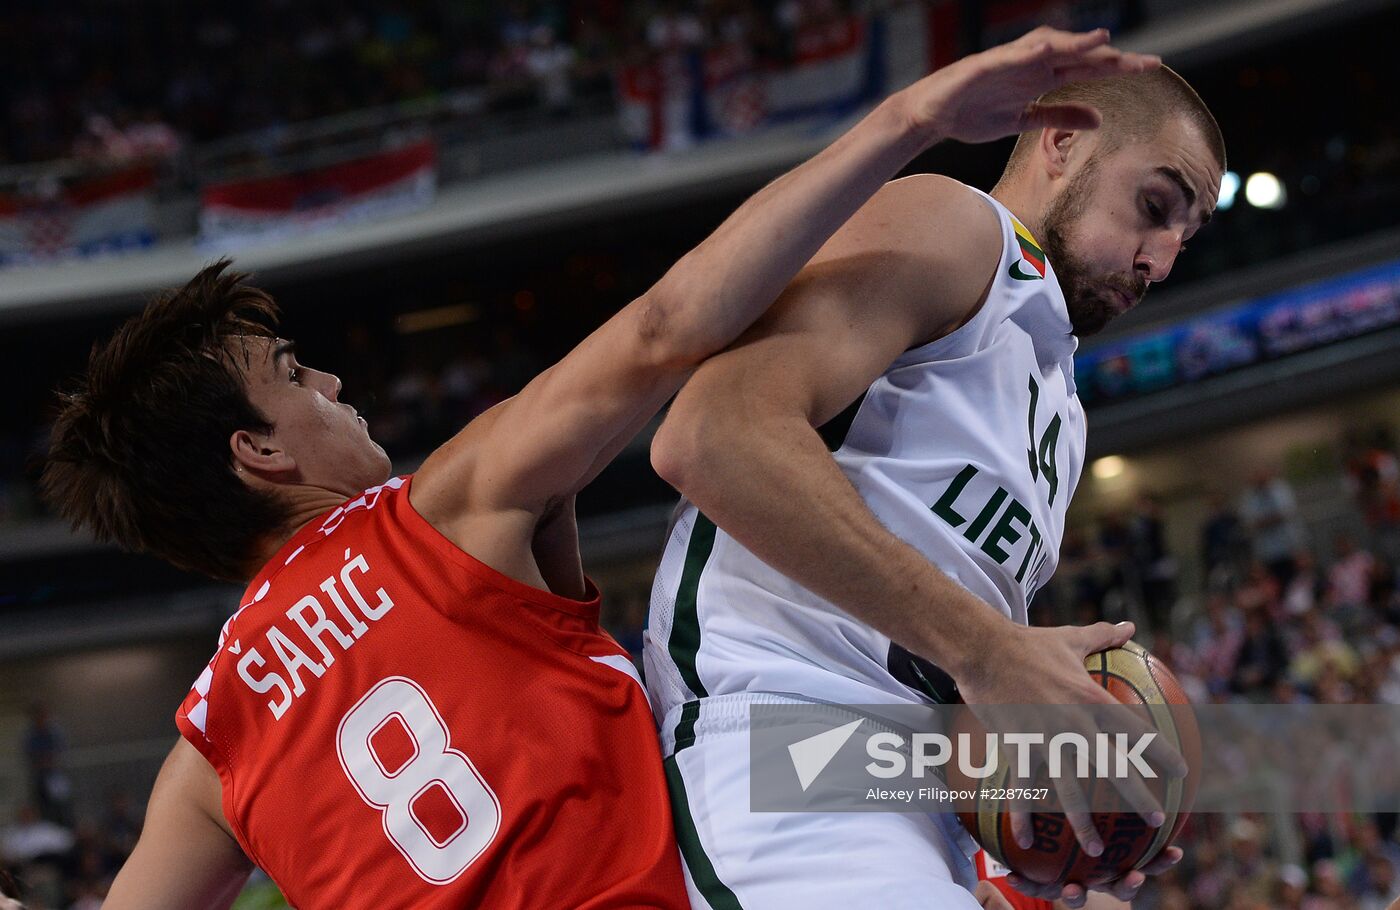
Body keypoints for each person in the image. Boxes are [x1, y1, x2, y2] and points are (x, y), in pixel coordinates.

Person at [36, 26, 1140, 909]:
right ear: (259, 452)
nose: (327, 380)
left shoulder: (210, 749)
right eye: (289, 374)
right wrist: (911, 118)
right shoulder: (436, 514)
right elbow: (670, 326)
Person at [646, 33, 1222, 910]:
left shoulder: (1061, 415)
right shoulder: (960, 231)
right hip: (782, 751)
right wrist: (991, 650)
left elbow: (933, 669)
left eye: (1187, 234)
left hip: (897, 793)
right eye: (1154, 204)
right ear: (1063, 142)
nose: (1162, 258)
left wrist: (1046, 823)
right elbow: (711, 436)